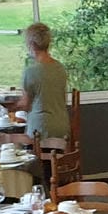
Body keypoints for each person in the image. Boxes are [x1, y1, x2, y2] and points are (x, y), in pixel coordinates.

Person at [16, 22, 69, 151]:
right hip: (62, 127)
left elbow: (25, 104)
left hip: (40, 129)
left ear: (32, 45)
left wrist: (7, 105)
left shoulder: (31, 71)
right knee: (53, 167)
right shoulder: (60, 68)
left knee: (14, 147)